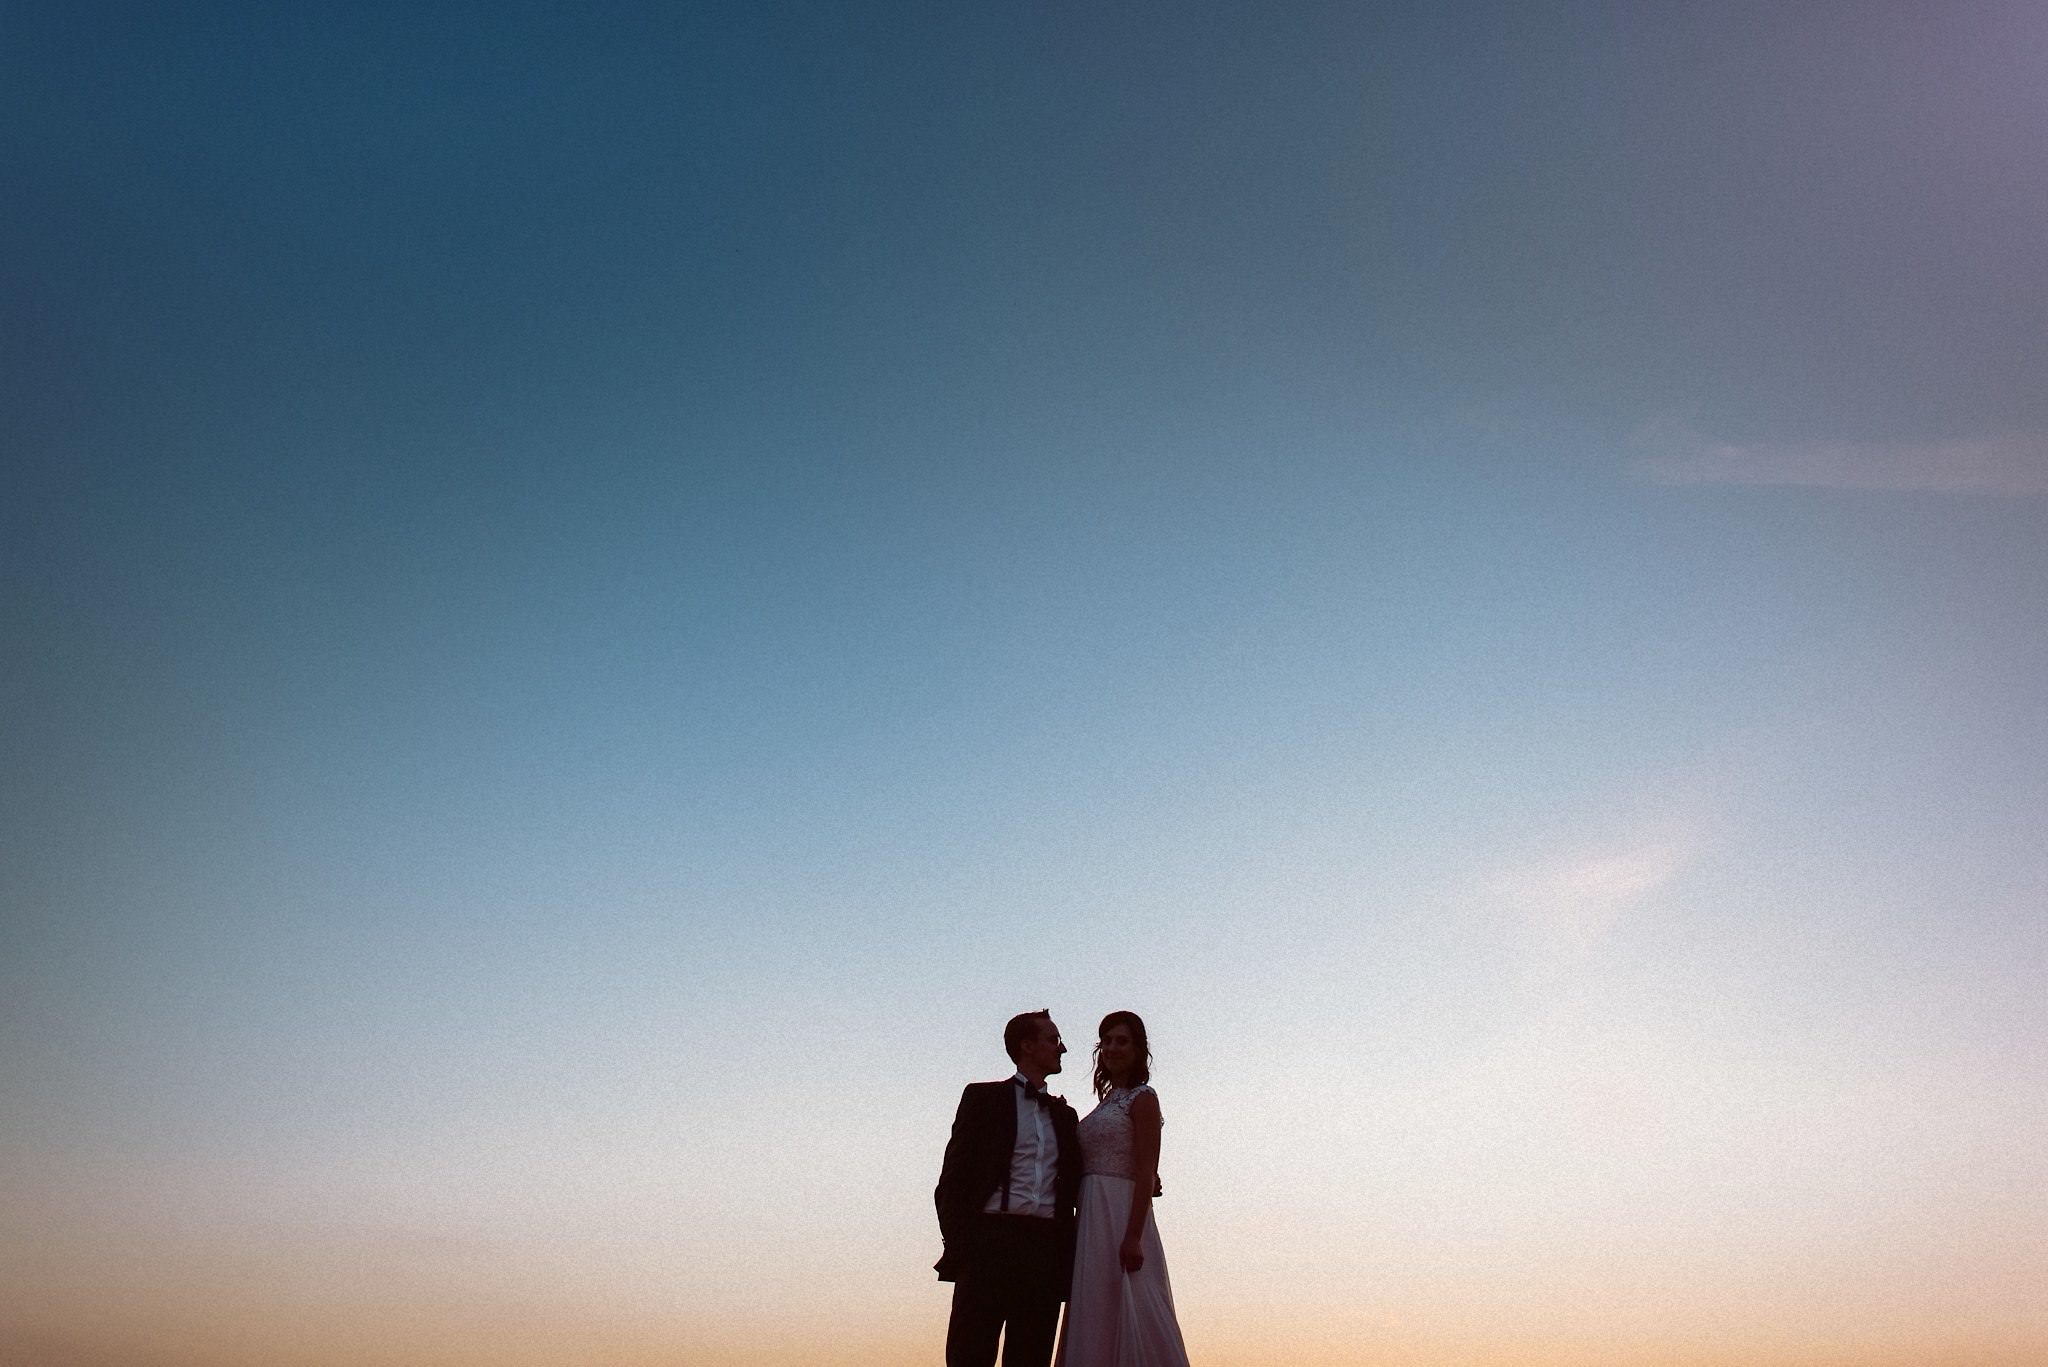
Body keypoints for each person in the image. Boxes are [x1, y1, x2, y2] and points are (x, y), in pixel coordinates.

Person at [935, 1010, 1083, 1367]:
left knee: (1031, 1358)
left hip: (1045, 1250)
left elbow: (1080, 1179)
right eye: (1054, 1039)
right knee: (970, 1354)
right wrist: (965, 1247)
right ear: (1027, 1046)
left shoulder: (1065, 1116)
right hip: (988, 1245)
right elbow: (952, 1180)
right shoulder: (983, 1099)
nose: (1062, 1048)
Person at [1052, 1011, 1191, 1367]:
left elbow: (1146, 1171)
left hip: (1122, 1215)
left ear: (1138, 1048)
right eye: (1107, 1041)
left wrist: (1133, 1236)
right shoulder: (1107, 1102)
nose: (1112, 1048)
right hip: (1091, 1215)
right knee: (1097, 1303)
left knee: (1134, 1302)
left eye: (1122, 1041)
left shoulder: (1143, 1099)